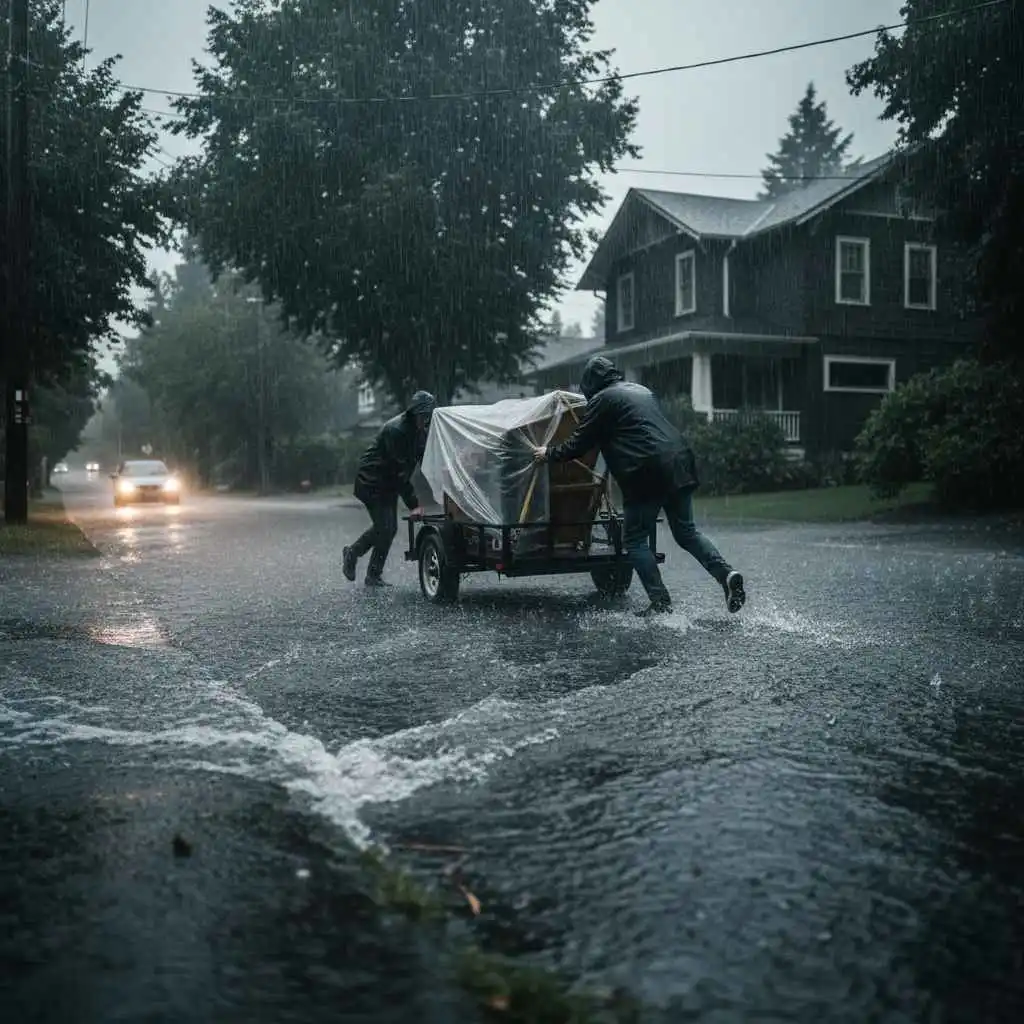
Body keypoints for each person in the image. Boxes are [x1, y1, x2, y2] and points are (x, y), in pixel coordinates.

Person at [533, 355, 745, 617]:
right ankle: (726, 574)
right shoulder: (642, 391)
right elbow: (637, 429)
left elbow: (579, 442)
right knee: (687, 532)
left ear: (590, 383)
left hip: (646, 470)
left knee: (634, 539)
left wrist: (549, 453)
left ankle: (660, 602)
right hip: (679, 461)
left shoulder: (602, 400)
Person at [343, 390, 437, 586]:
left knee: (387, 528)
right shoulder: (396, 430)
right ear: (414, 413)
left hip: (388, 482)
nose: (425, 419)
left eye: (428, 415)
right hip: (372, 481)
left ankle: (369, 570)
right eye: (422, 415)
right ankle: (358, 558)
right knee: (386, 527)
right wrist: (414, 505)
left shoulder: (419, 432)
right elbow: (399, 471)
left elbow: (424, 461)